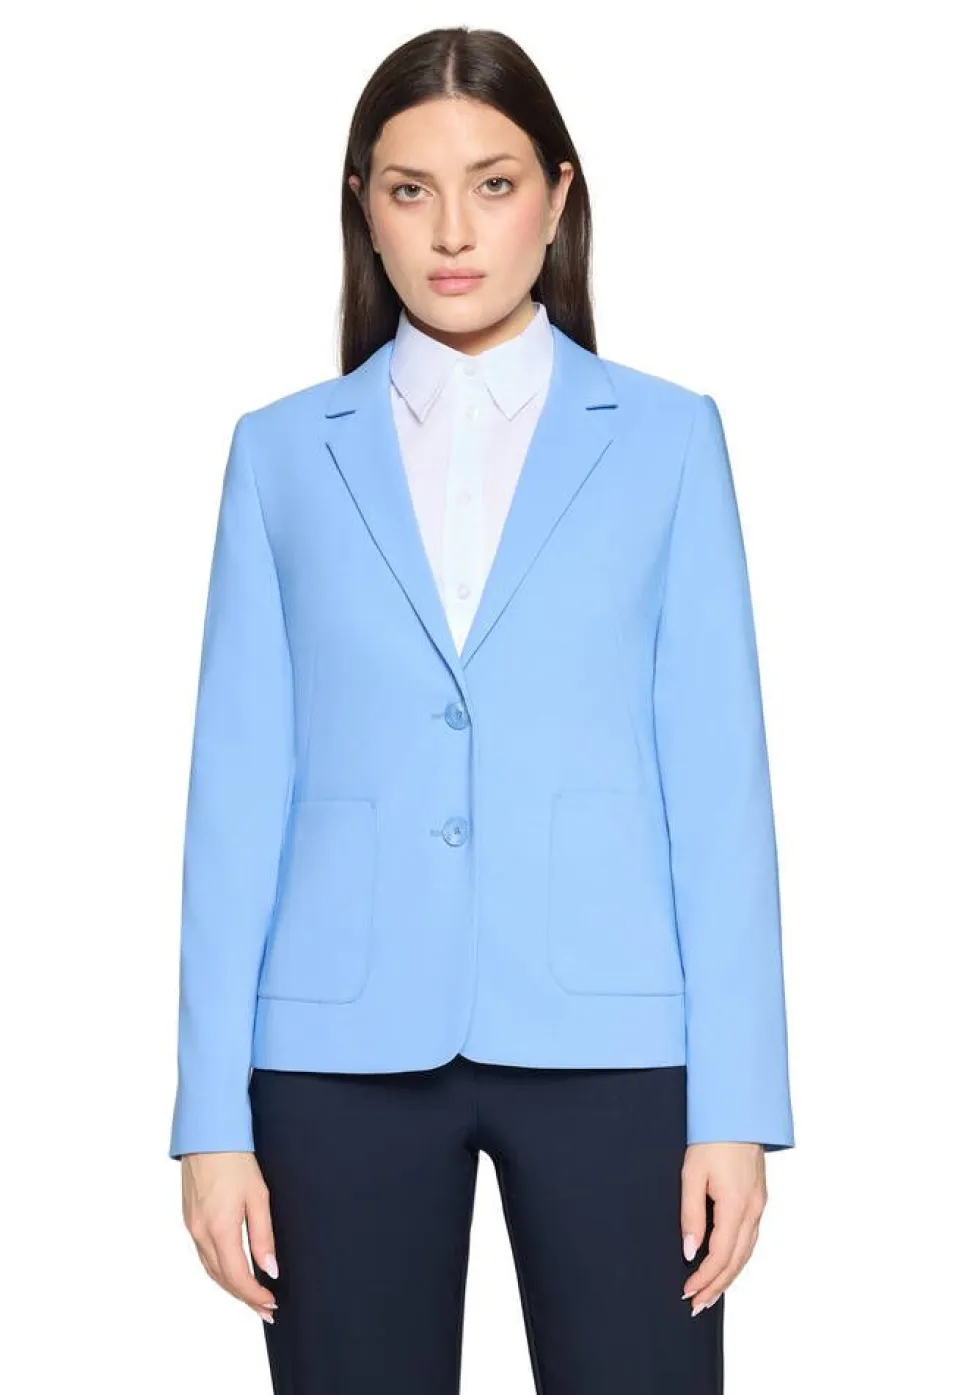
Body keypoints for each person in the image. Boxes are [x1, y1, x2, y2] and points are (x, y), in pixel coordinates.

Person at [170, 24, 795, 1395]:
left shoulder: (669, 437)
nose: (453, 230)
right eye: (411, 189)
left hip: (617, 1039)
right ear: (364, 208)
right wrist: (209, 1118)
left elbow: (718, 784)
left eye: (493, 184)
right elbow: (235, 796)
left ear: (558, 198)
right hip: (332, 1046)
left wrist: (739, 1105)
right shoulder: (279, 454)